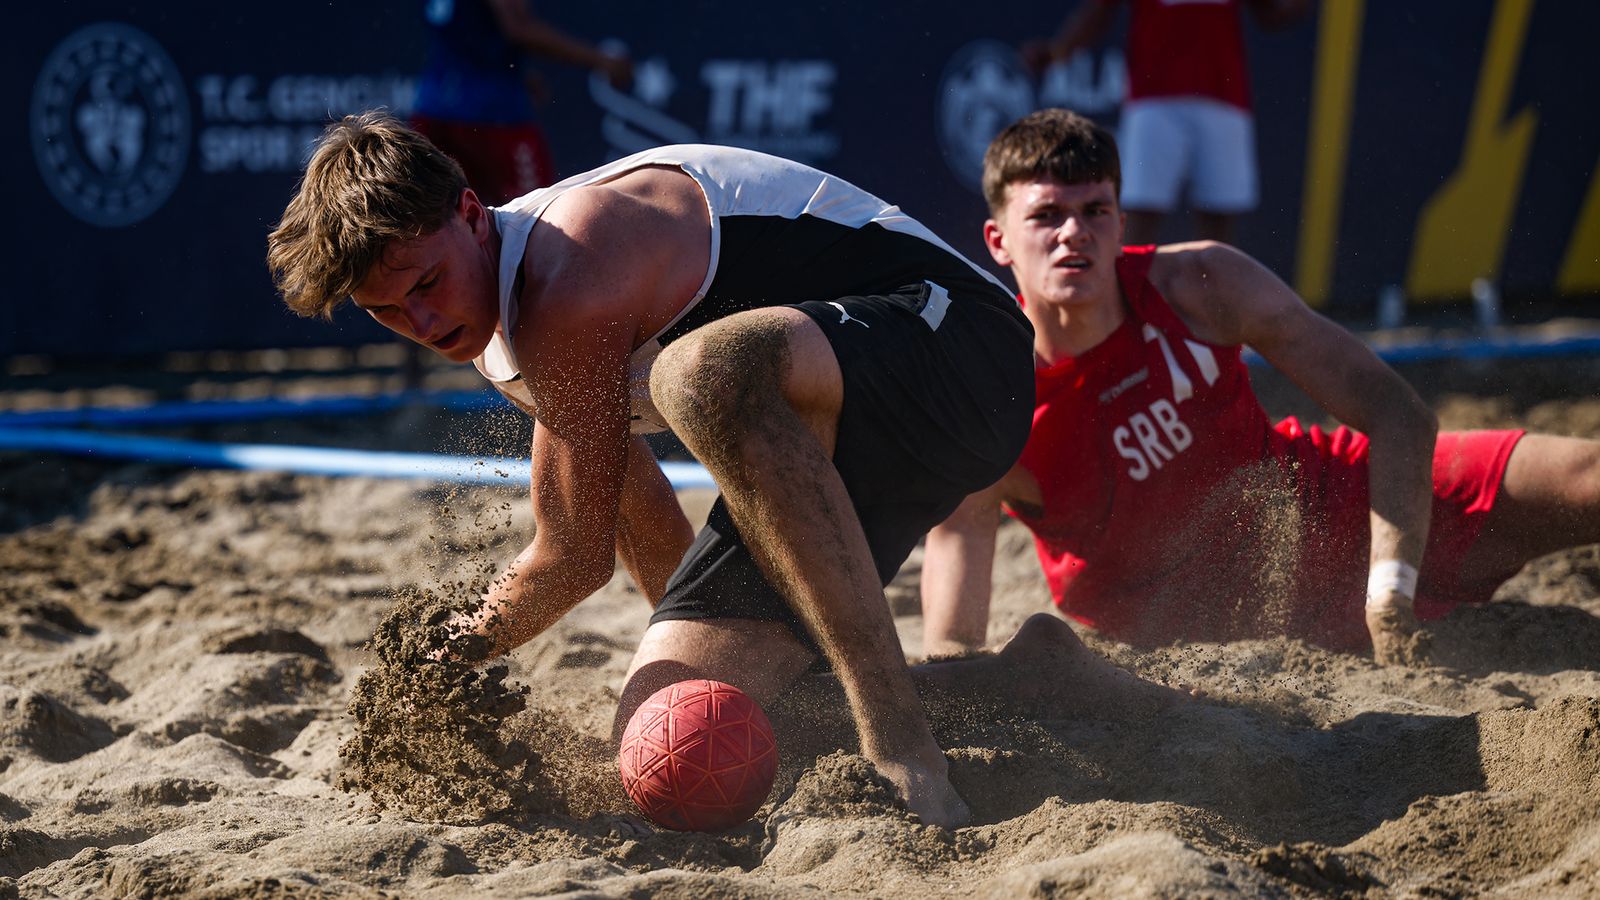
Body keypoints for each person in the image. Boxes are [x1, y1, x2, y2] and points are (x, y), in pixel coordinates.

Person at [266, 112, 1183, 828]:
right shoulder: (504, 336)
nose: (423, 324)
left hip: (964, 359)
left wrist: (438, 658)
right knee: (681, 730)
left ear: (471, 215)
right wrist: (731, 663)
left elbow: (570, 559)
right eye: (388, 314)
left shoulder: (570, 275)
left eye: (425, 285)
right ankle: (1032, 680)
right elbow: (638, 533)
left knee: (700, 373)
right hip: (824, 451)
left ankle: (902, 743)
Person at [920, 108, 1600, 665]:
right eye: (1046, 216)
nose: (1075, 234)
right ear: (998, 240)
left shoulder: (1200, 284)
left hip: (1346, 519)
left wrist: (1389, 594)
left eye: (1096, 210)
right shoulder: (990, 390)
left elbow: (1397, 412)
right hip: (1188, 646)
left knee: (1587, 475)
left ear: (1122, 223)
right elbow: (954, 592)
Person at [1022, 0, 1311, 246]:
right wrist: (1059, 50)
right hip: (1155, 97)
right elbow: (1101, 10)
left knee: (1219, 215)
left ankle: (1211, 307)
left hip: (1223, 94)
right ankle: (1126, 304)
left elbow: (1270, 14)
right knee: (1142, 209)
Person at [412, 0, 633, 205]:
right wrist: (600, 60)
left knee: (449, 218)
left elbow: (464, 32)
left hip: (433, 112)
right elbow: (518, 26)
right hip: (494, 118)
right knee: (538, 217)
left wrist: (514, 72)